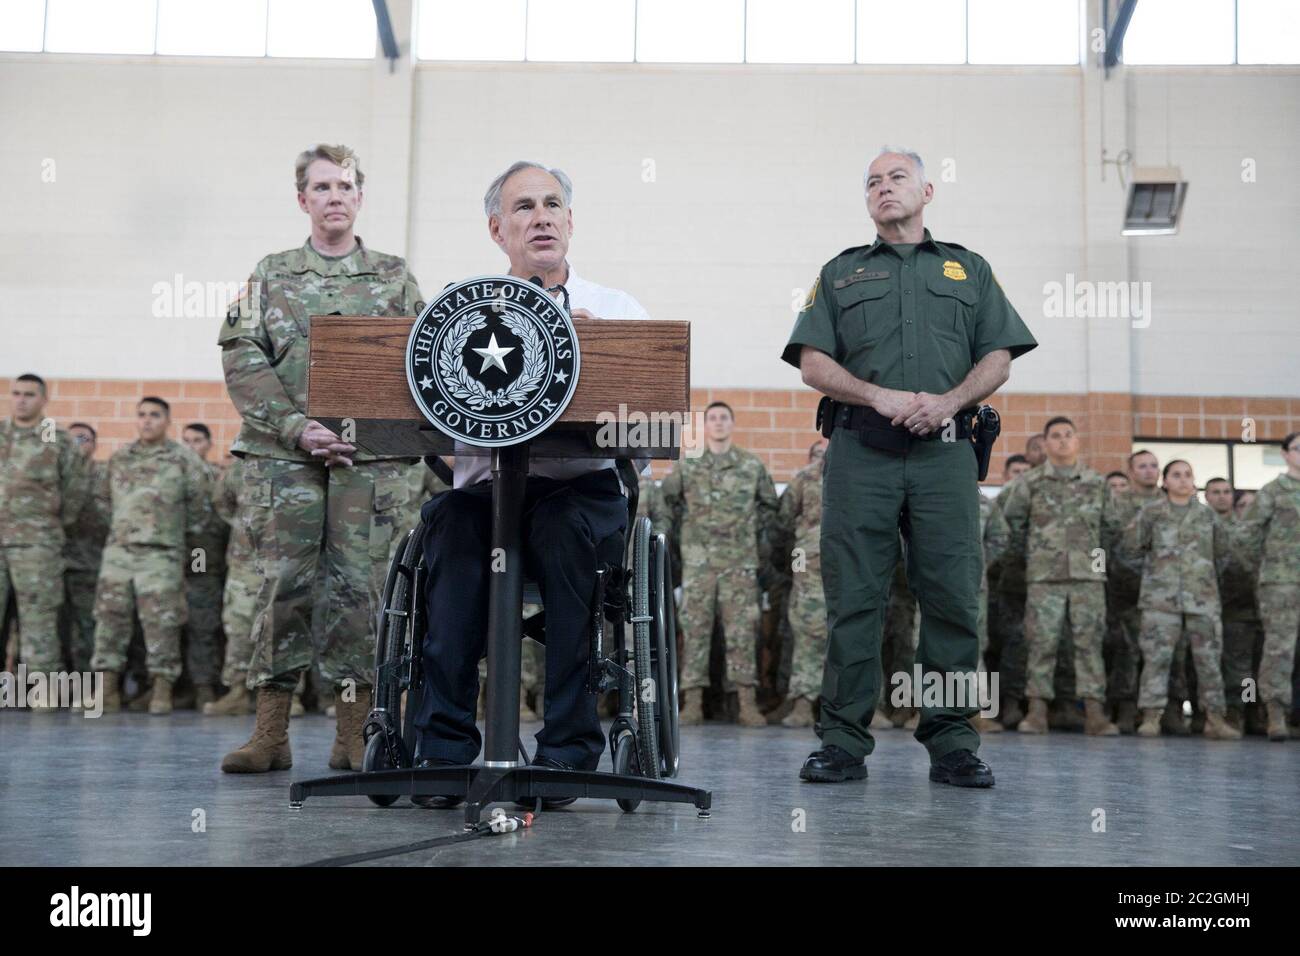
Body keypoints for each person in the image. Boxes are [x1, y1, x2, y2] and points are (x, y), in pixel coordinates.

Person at [781, 146, 1036, 787]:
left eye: (896, 178)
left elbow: (999, 358)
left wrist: (950, 400)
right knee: (854, 599)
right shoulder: (840, 274)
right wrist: (877, 395)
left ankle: (952, 741)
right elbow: (812, 362)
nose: (883, 188)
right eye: (872, 181)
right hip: (861, 451)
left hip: (946, 453)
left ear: (928, 191)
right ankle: (841, 741)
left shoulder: (968, 270)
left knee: (952, 598)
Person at [411, 161, 651, 809]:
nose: (540, 217)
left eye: (552, 205)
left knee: (560, 526)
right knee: (450, 525)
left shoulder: (621, 312)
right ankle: (443, 746)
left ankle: (567, 752)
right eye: (523, 207)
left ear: (570, 223)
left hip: (581, 495)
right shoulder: (456, 312)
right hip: (487, 497)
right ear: (497, 229)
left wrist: (601, 368)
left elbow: (650, 427)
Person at [217, 144, 425, 773]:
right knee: (284, 586)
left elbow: (423, 360)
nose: (335, 196)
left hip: (372, 462)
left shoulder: (393, 277)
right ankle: (272, 735)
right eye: (322, 187)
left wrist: (367, 431)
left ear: (360, 197)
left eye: (345, 186)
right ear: (302, 199)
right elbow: (241, 354)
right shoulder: (272, 272)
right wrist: (296, 427)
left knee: (360, 590)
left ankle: (353, 735)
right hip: (285, 458)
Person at [998, 417, 1125, 736]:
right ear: (1045, 443)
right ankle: (1037, 711)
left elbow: (1110, 528)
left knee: (1088, 645)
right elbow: (1013, 526)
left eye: (1069, 435)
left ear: (1077, 440)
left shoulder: (1096, 483)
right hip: (1044, 578)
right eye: (1055, 436)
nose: (1063, 441)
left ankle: (1094, 713)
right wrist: (1030, 561)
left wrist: (1095, 563)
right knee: (1041, 643)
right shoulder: (1031, 483)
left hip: (1088, 579)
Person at [660, 402, 778, 727]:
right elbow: (667, 503)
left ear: (733, 423)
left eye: (724, 417)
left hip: (739, 563)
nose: (718, 423)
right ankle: (692, 702)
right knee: (695, 631)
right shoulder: (688, 464)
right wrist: (680, 539)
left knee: (742, 633)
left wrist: (750, 535)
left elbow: (770, 506)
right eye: (712, 418)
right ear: (706, 426)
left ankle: (746, 702)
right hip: (698, 564)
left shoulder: (750, 465)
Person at [91, 398, 209, 713]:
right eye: (141, 415)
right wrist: (122, 531)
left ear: (167, 421)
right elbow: (102, 501)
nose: (147, 421)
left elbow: (200, 508)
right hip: (118, 553)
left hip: (162, 554)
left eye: (154, 415)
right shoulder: (119, 458)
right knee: (109, 620)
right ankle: (108, 689)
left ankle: (161, 689)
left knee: (162, 622)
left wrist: (174, 538)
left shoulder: (183, 459)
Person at [1123, 460, 1240, 739]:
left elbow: (1223, 555)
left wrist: (1204, 579)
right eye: (1176, 475)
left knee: (1209, 660)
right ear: (1165, 482)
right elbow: (1130, 546)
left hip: (1202, 599)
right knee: (1156, 659)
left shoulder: (1208, 516)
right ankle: (1151, 717)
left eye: (1188, 475)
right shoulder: (1151, 513)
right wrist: (1155, 575)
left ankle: (1214, 719)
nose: (1183, 480)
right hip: (1160, 600)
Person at [0, 374, 90, 710]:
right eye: (16, 393)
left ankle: (42, 693)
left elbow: (75, 491)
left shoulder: (57, 439)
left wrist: (50, 523)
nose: (21, 400)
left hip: (37, 544)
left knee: (39, 620)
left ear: (43, 399)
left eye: (29, 394)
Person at [1232, 431, 1300, 741]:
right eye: (1297, 449)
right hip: (1281, 582)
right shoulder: (1273, 491)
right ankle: (1275, 714)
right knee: (1279, 648)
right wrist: (1262, 570)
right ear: (1285, 454)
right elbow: (1246, 536)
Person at [1105, 449, 1165, 733]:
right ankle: (1126, 708)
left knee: (1163, 654)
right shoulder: (1117, 503)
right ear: (1131, 471)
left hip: (1164, 594)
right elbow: (1108, 544)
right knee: (1126, 651)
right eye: (1142, 466)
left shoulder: (1170, 502)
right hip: (1124, 591)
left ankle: (1166, 711)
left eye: (1154, 466)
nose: (1149, 471)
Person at [772, 440, 828, 728]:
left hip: (855, 559)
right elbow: (782, 522)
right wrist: (792, 562)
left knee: (863, 629)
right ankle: (803, 703)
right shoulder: (805, 478)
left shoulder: (863, 474)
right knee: (807, 631)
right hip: (809, 564)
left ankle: (869, 705)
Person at [178, 422, 228, 709]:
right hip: (168, 563)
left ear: (208, 444)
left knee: (202, 627)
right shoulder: (170, 476)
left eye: (197, 441)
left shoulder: (216, 476)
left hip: (205, 564)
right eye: (185, 441)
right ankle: (172, 687)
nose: (190, 447)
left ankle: (203, 686)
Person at [60, 422, 109, 674]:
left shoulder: (103, 475)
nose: (77, 445)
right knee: (54, 630)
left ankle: (88, 684)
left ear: (94, 444)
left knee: (88, 628)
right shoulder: (53, 477)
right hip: (53, 565)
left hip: (89, 564)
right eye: (72, 440)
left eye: (84, 438)